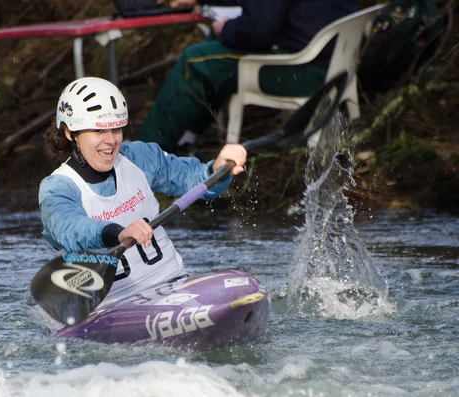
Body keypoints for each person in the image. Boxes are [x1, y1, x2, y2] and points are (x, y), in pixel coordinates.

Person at [39, 77, 247, 307]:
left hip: (174, 285)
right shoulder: (57, 187)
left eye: (116, 129)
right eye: (99, 130)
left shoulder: (139, 158)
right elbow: (70, 229)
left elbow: (193, 179)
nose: (111, 141)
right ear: (70, 133)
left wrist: (218, 168)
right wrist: (118, 232)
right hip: (112, 308)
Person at [135, 0, 360, 153]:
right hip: (337, 66)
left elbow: (259, 30)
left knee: (195, 61)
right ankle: (188, 136)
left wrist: (227, 28)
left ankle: (143, 153)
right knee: (215, 56)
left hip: (303, 73)